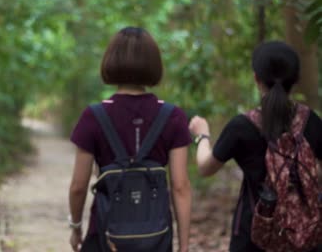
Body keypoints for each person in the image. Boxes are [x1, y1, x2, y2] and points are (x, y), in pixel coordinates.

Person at [188, 41, 322, 252]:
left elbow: (206, 167)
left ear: (256, 78)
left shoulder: (242, 126)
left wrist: (202, 135)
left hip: (254, 237)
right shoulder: (312, 122)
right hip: (307, 236)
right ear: (296, 80)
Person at [68, 27, 192, 252]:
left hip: (105, 235)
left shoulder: (94, 116)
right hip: (155, 237)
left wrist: (76, 227)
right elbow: (180, 186)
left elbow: (78, 186)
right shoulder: (173, 116)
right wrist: (184, 246)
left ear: (111, 61)